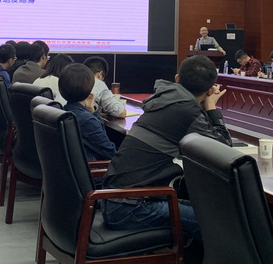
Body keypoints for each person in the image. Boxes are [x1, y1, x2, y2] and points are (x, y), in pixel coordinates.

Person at [102, 55, 230, 245]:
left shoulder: (162, 100)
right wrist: (211, 107)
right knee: (216, 223)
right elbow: (224, 148)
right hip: (130, 207)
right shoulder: (187, 111)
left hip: (114, 200)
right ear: (210, 89)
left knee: (203, 209)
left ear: (177, 78)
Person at [60, 63, 116, 162]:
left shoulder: (65, 111)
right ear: (89, 88)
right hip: (96, 169)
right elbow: (111, 153)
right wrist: (93, 113)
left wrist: (92, 110)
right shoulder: (86, 120)